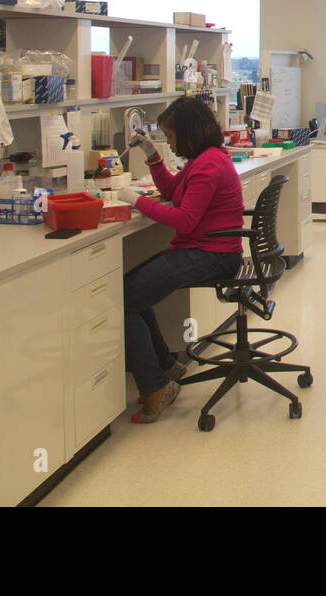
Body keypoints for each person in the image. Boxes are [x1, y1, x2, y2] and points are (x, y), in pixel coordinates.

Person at [115, 97, 244, 423]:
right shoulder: (203, 159)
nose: (170, 143)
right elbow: (173, 192)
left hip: (211, 256)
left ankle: (156, 386)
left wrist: (136, 202)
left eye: (170, 137)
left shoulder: (209, 165)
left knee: (124, 298)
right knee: (132, 289)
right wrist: (152, 155)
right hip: (204, 249)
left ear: (187, 133)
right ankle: (166, 366)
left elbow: (185, 219)